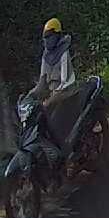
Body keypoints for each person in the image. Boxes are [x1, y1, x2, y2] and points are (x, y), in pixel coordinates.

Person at [26, 18, 78, 162]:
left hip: (67, 91)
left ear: (57, 35)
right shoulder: (46, 55)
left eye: (49, 36)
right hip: (53, 92)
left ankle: (67, 154)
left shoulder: (64, 52)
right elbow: (42, 82)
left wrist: (49, 100)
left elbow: (65, 82)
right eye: (45, 37)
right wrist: (30, 95)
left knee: (53, 120)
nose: (47, 40)